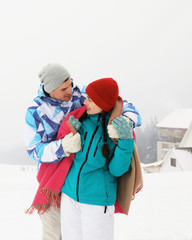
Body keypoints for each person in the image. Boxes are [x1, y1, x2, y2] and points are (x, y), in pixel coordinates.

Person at [24, 63, 141, 240]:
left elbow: (116, 101)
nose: (71, 91)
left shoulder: (81, 93)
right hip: (55, 181)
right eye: (64, 88)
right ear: (50, 89)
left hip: (90, 190)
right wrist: (62, 147)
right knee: (53, 233)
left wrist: (125, 123)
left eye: (70, 84)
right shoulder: (36, 112)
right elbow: (34, 150)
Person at [60, 77, 134, 240]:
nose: (85, 102)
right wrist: (71, 132)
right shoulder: (82, 120)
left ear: (103, 102)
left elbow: (117, 170)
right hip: (70, 196)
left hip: (97, 201)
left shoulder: (115, 129)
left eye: (91, 99)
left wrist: (126, 143)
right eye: (86, 97)